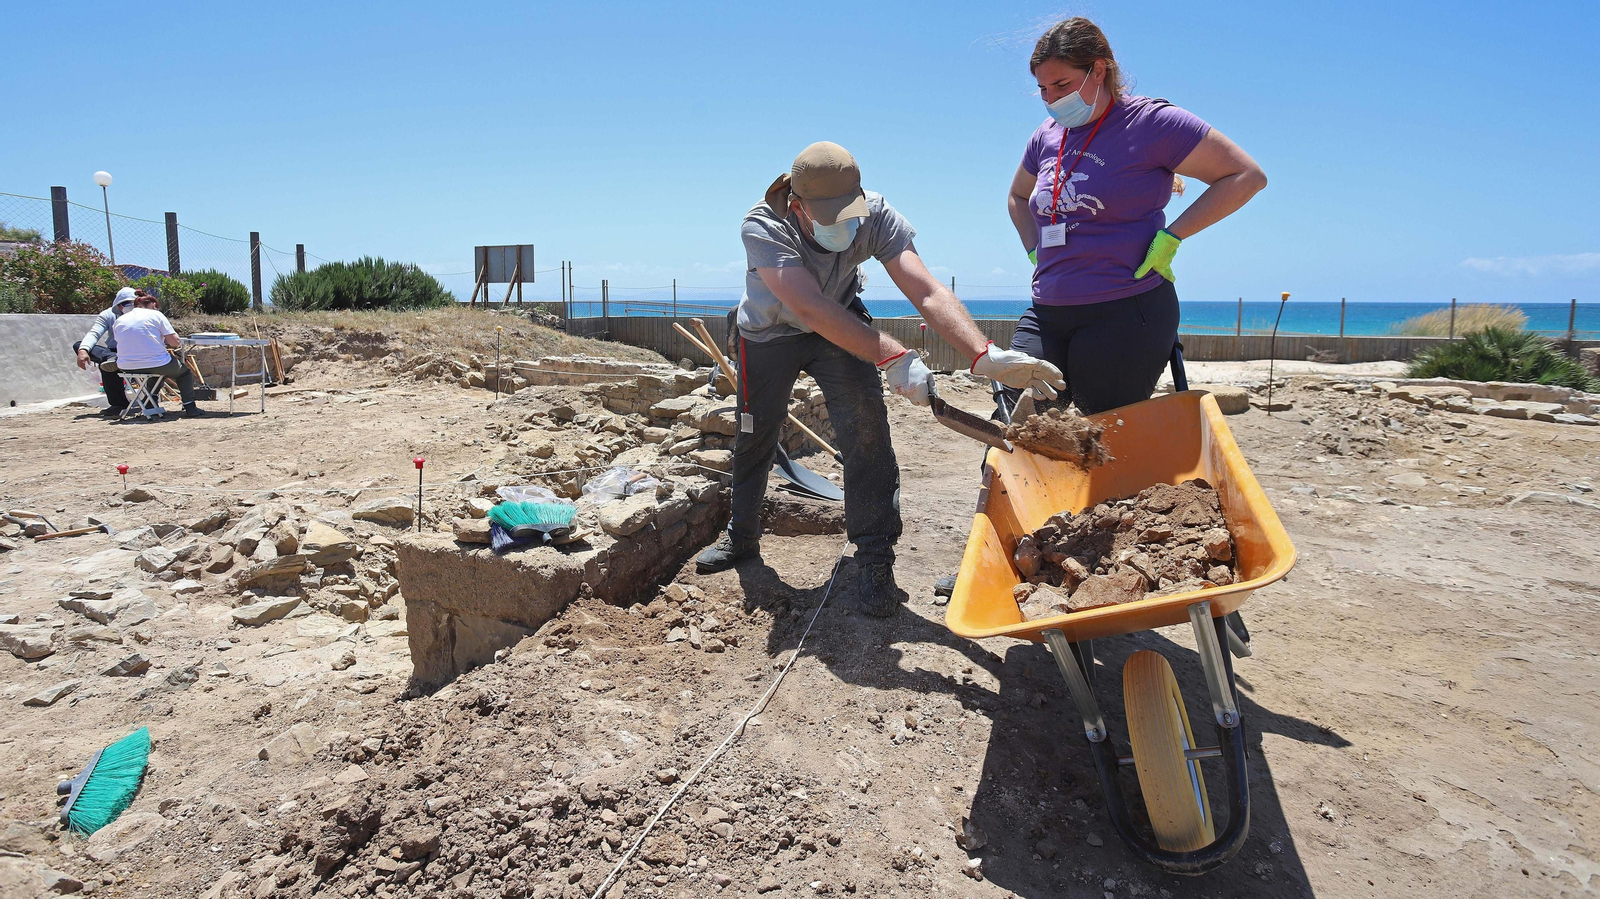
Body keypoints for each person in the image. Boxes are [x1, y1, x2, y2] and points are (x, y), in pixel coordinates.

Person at [694, 141, 1064, 617]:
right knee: (755, 434)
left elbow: (925, 290)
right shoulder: (765, 225)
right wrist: (895, 357)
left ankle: (874, 561)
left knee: (867, 432)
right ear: (798, 206)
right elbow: (810, 307)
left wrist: (983, 355)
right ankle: (742, 536)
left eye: (849, 213)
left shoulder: (875, 214)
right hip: (768, 336)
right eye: (829, 217)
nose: (844, 226)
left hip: (840, 328)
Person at [1004, 17, 1267, 415]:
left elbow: (1246, 176)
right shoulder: (1047, 134)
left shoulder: (1150, 122)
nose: (1052, 99)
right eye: (1043, 89)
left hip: (1126, 308)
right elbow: (1017, 196)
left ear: (1098, 70)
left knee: (1105, 430)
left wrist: (1172, 237)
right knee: (1014, 422)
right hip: (1048, 309)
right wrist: (1033, 248)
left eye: (1061, 85)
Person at [110, 292, 211, 418]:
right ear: (153, 304)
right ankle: (190, 406)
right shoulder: (156, 315)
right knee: (183, 372)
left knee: (155, 372)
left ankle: (150, 403)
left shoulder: (120, 319)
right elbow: (174, 342)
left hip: (126, 366)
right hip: (157, 363)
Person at [74, 287, 137, 416]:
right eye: (125, 303)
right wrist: (83, 350)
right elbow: (95, 333)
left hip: (138, 352)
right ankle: (118, 404)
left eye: (132, 303)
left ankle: (112, 359)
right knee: (80, 346)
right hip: (114, 351)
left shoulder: (146, 314)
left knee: (108, 362)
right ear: (118, 305)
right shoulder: (108, 315)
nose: (129, 306)